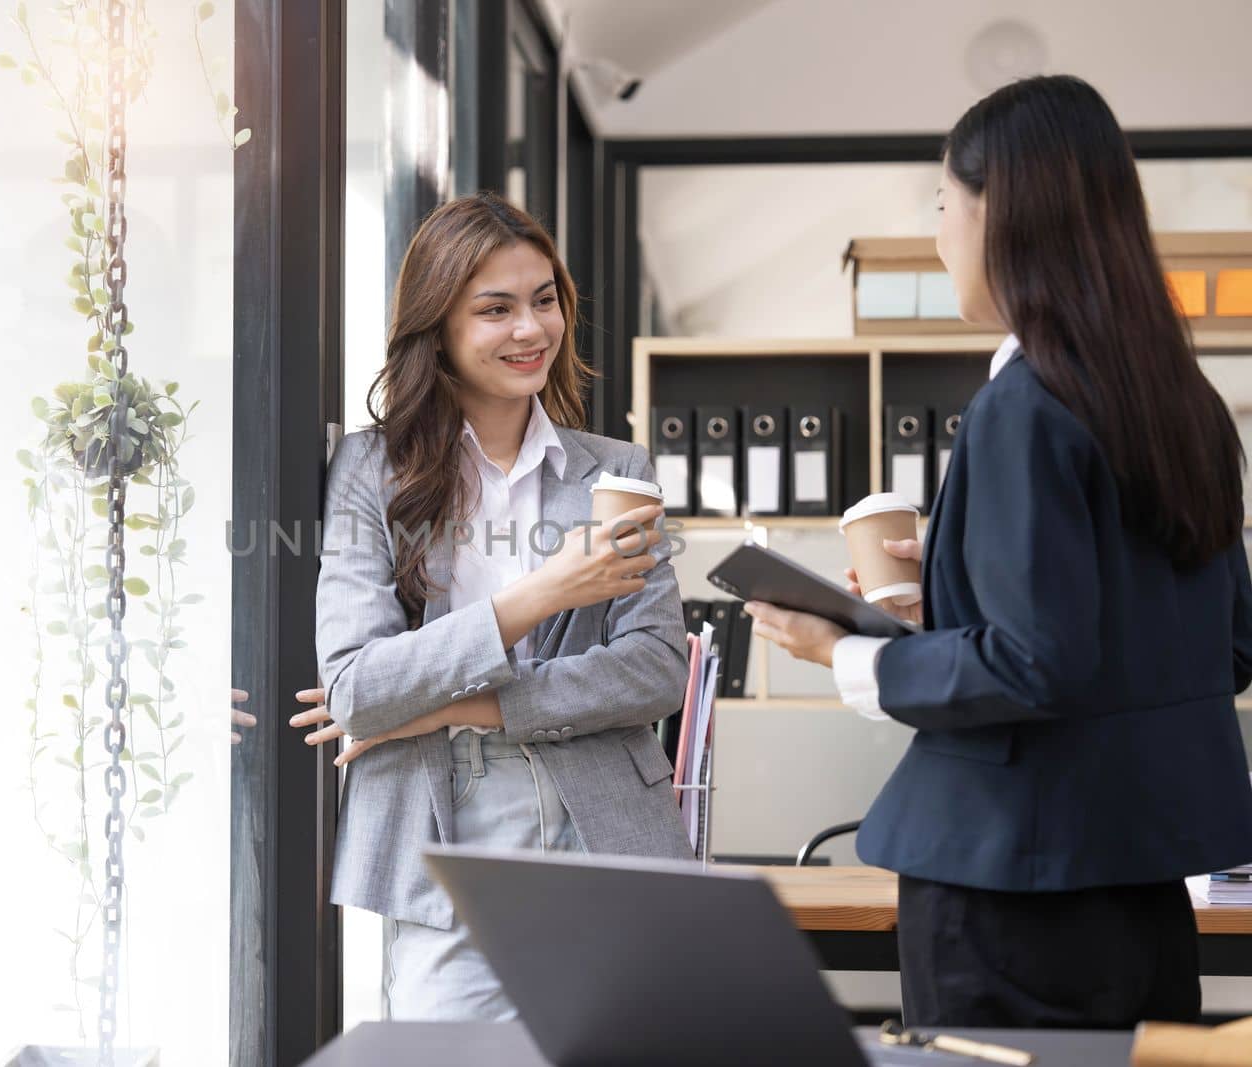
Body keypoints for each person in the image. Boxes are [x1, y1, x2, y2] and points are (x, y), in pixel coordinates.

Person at [745, 74, 1252, 1029]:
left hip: (1010, 897)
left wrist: (842, 652)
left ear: (1002, 215)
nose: (939, 232)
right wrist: (962, 598)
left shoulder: (1023, 407)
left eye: (944, 201)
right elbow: (1219, 647)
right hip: (1145, 891)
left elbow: (1037, 662)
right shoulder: (1184, 403)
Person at [288, 192, 693, 1021]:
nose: (530, 329)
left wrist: (453, 706)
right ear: (437, 326)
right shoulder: (373, 470)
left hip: (606, 821)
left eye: (544, 300)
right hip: (445, 827)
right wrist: (539, 597)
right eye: (496, 308)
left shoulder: (616, 469)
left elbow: (656, 669)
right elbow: (358, 689)